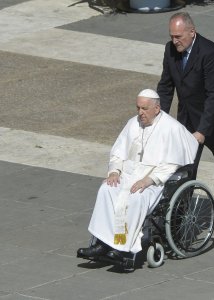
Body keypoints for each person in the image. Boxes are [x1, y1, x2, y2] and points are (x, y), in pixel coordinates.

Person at [77, 88, 198, 260]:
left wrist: (148, 180)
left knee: (136, 197)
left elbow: (170, 164)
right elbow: (118, 152)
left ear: (156, 109)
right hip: (127, 175)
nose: (140, 113)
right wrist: (114, 171)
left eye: (144, 109)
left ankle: (122, 248)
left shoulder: (171, 128)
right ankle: (102, 243)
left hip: (153, 181)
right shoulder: (132, 123)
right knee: (107, 189)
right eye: (138, 108)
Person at [157, 12, 214, 238]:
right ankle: (180, 224)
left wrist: (202, 131)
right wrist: (158, 120)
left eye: (179, 36)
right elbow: (166, 87)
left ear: (192, 32)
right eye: (172, 36)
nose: (175, 41)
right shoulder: (170, 51)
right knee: (184, 172)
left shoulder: (209, 52)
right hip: (188, 120)